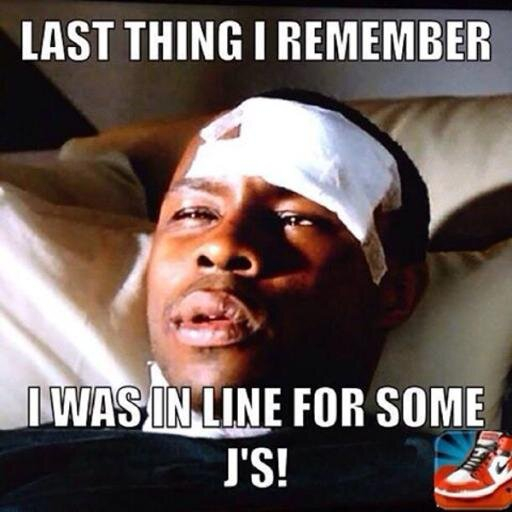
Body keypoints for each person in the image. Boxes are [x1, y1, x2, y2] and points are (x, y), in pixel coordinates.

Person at [0, 90, 435, 511]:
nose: (222, 246)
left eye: (295, 218)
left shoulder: (454, 479)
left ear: (394, 294)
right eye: (195, 213)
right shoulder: (23, 459)